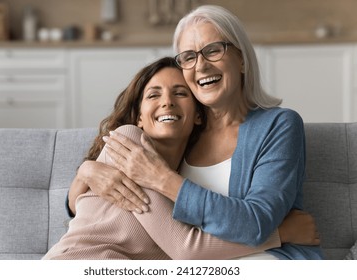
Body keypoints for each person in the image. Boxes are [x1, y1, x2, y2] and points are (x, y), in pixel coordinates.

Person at [68, 5, 323, 260]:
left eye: (213, 50)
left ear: (242, 59)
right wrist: (86, 171)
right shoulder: (179, 136)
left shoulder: (278, 125)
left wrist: (161, 178)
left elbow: (256, 223)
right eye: (188, 57)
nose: (200, 65)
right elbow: (105, 219)